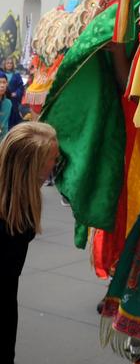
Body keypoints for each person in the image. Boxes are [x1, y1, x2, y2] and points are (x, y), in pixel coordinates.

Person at [0, 120, 59, 364]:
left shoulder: (21, 200)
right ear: (32, 165)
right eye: (52, 159)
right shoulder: (12, 215)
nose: (56, 164)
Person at [1, 58, 25, 128]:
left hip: (13, 99)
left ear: (13, 65)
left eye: (10, 63)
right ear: (4, 64)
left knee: (13, 116)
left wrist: (16, 93)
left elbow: (21, 87)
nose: (9, 64)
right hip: (2, 98)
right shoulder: (1, 74)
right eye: (7, 63)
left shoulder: (16, 75)